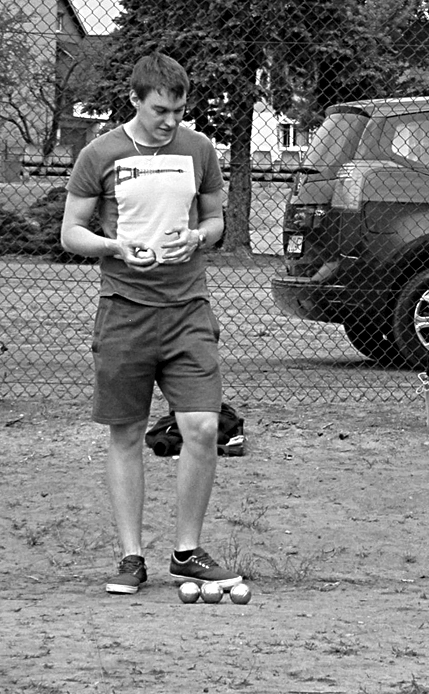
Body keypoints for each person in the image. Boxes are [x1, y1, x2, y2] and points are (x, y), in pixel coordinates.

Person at [60, 53, 239, 595]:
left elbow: (215, 219)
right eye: (160, 110)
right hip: (125, 309)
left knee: (202, 428)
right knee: (126, 433)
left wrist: (199, 237)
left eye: (179, 111)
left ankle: (187, 552)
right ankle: (131, 557)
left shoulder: (199, 149)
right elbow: (71, 232)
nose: (170, 121)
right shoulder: (101, 153)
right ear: (135, 99)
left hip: (188, 310)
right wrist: (114, 246)